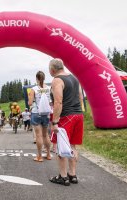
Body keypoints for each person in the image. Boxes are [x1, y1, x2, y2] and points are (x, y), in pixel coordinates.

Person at [48, 58, 84, 186]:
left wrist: (55, 122)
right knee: (73, 146)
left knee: (60, 146)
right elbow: (80, 97)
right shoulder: (74, 78)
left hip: (65, 116)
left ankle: (63, 177)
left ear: (52, 70)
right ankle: (72, 174)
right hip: (78, 115)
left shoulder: (57, 80)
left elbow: (58, 101)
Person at [28, 71, 52, 162]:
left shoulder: (33, 89)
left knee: (38, 135)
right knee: (46, 135)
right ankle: (49, 154)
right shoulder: (49, 88)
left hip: (36, 113)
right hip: (46, 113)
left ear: (36, 78)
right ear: (44, 78)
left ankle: (39, 156)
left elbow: (30, 103)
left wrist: (33, 101)